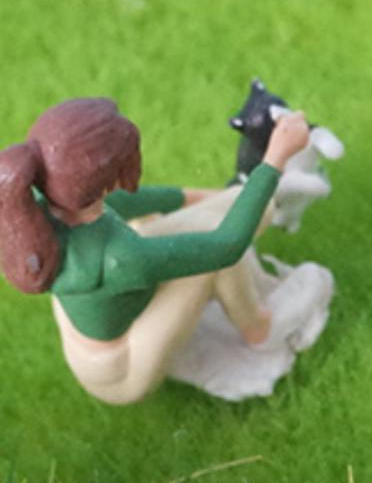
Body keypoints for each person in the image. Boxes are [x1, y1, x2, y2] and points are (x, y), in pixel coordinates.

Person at [0, 97, 309, 404]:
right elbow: (227, 247)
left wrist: (227, 197)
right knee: (213, 259)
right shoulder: (119, 256)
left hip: (94, 325)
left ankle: (242, 283)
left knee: (184, 219)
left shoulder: (48, 208)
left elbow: (134, 200)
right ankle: (259, 329)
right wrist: (274, 159)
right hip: (121, 369)